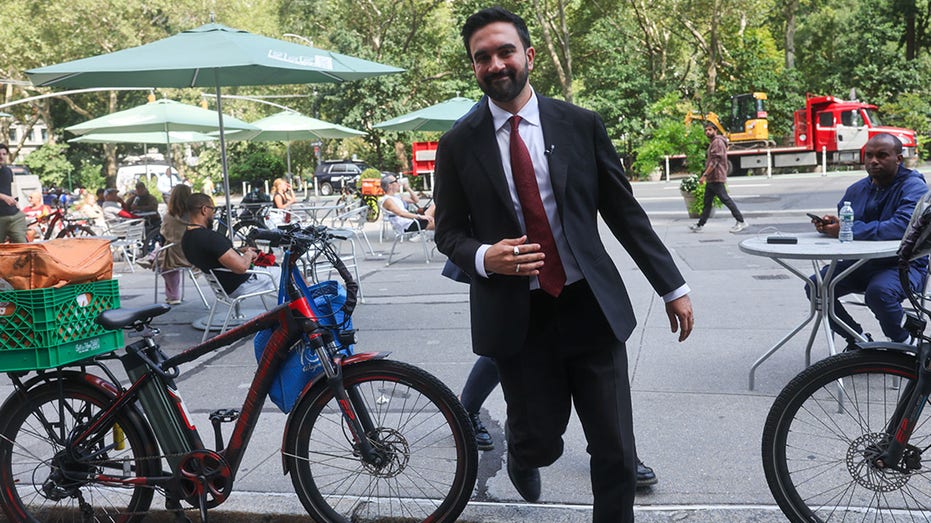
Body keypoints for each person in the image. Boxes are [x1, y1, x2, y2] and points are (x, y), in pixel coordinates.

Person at [433, 8, 693, 522]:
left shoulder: (579, 124)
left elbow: (623, 211)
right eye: (482, 57)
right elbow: (448, 233)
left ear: (528, 56)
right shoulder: (457, 144)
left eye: (505, 51)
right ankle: (524, 456)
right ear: (474, 68)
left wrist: (672, 286)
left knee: (615, 450)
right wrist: (487, 257)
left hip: (589, 307)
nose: (495, 63)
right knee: (539, 441)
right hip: (518, 319)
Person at [808, 133, 928, 348]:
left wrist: (846, 229)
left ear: (898, 159)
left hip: (902, 264)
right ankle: (858, 339)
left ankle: (906, 343)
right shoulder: (856, 190)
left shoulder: (914, 187)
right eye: (869, 155)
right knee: (817, 285)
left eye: (882, 155)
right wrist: (832, 225)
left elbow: (901, 227)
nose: (874, 161)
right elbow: (849, 224)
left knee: (879, 292)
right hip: (861, 262)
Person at [181, 192, 280, 299]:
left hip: (223, 287)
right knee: (284, 272)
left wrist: (237, 250)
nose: (213, 214)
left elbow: (214, 254)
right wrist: (249, 254)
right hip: (241, 285)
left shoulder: (187, 238)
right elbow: (241, 267)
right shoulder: (209, 237)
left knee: (275, 268)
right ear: (204, 210)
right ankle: (294, 309)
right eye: (212, 210)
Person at [689, 123, 748, 233]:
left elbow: (715, 161)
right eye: (706, 130)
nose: (707, 132)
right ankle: (700, 224)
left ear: (715, 130)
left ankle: (741, 221)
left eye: (710, 130)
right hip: (712, 178)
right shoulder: (714, 142)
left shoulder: (717, 142)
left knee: (725, 199)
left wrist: (704, 175)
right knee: (707, 202)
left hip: (716, 177)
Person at [159, 184, 195, 305]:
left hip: (175, 255)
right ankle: (172, 294)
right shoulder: (195, 215)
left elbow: (163, 237)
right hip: (194, 254)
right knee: (163, 257)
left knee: (161, 259)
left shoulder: (168, 217)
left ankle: (173, 294)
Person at [0, 144, 27, 243]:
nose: (1, 156)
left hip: (15, 216)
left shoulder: (7, 171)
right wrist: (2, 197)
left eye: (4, 154)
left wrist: (16, 202)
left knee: (23, 247)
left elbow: (10, 189)